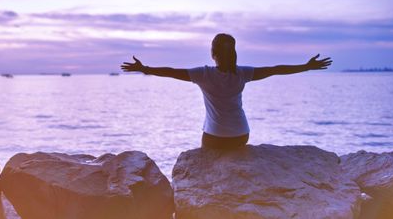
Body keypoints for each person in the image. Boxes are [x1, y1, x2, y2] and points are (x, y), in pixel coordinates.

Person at [120, 33, 332, 150]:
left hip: (215, 138)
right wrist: (306, 66)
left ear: (213, 54)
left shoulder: (203, 74)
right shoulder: (243, 73)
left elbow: (171, 72)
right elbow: (276, 70)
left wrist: (144, 69)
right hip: (241, 136)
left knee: (206, 143)